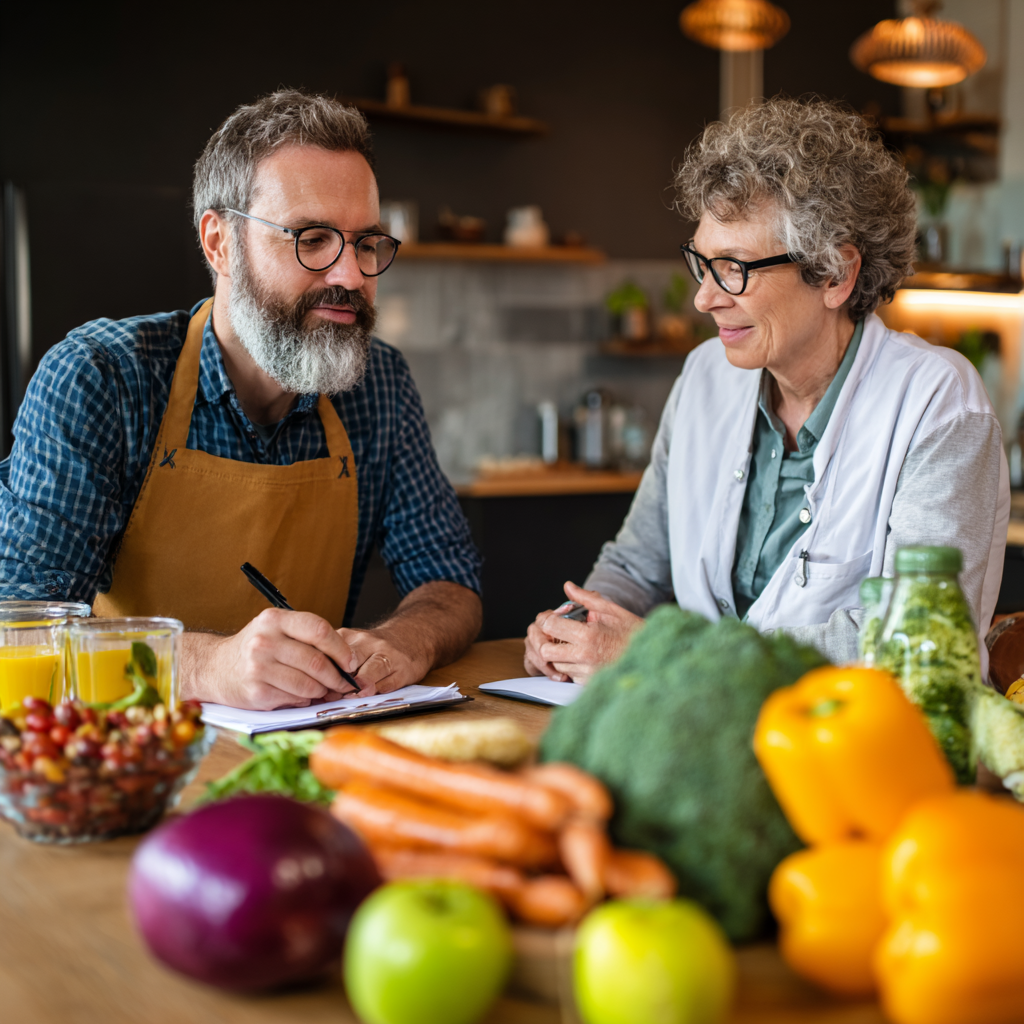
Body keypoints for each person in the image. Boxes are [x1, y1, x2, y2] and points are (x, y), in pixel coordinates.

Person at [0, 90, 482, 709]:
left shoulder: (380, 384)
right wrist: (205, 667)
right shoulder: (103, 377)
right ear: (219, 243)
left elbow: (450, 584)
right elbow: (17, 629)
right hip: (126, 759)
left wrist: (404, 642)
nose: (352, 277)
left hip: (302, 753)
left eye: (365, 243)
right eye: (311, 238)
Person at [525, 97, 1010, 683]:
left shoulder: (938, 403)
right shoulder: (706, 375)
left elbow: (919, 644)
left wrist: (666, 654)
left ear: (835, 273)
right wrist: (574, 628)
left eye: (736, 268)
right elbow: (638, 567)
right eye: (701, 264)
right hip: (715, 741)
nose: (706, 297)